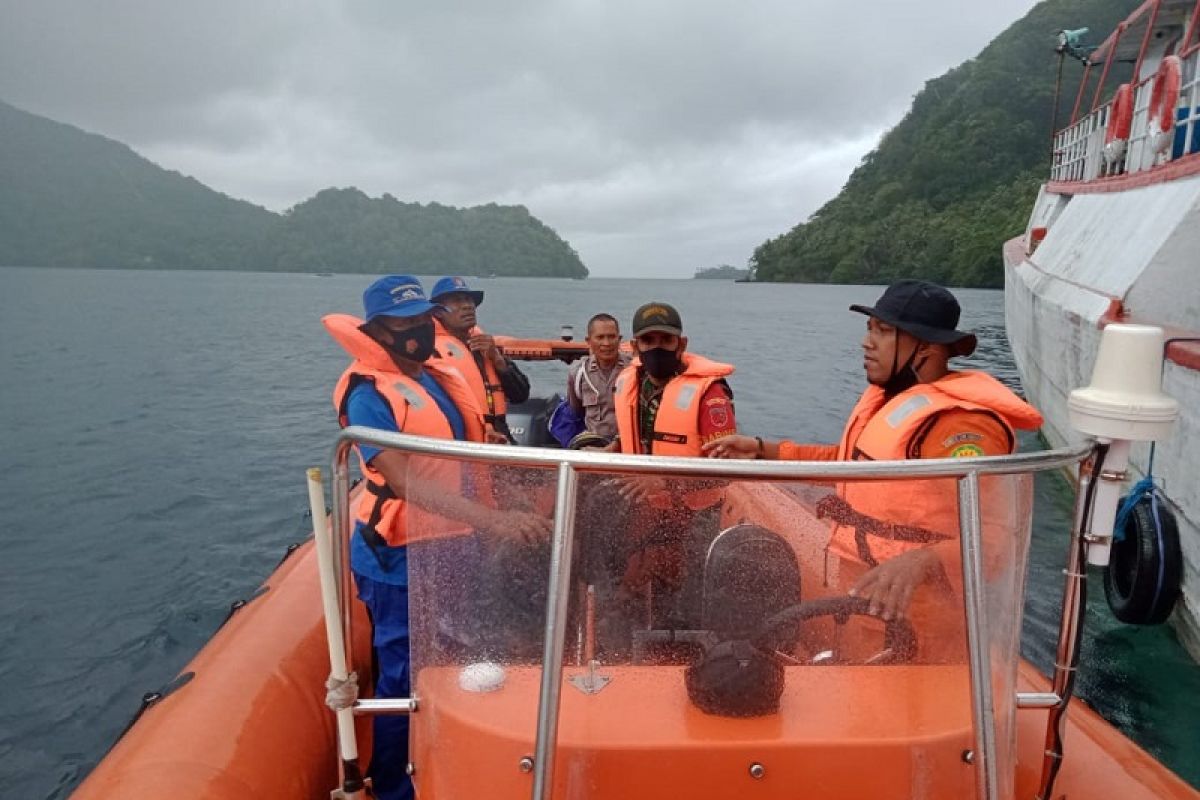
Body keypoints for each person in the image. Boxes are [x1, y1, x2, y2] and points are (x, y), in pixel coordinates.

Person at [324, 275, 549, 800]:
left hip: (451, 543)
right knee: (403, 678)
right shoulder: (367, 394)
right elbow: (405, 480)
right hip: (398, 558)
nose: (419, 331)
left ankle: (446, 757)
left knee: (451, 658)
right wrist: (494, 522)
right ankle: (394, 787)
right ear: (377, 331)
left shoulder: (431, 378)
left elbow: (449, 449)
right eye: (404, 324)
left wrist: (486, 445)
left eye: (423, 319)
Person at [704, 279, 1043, 622]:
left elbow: (999, 537)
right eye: (869, 329)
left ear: (925, 347)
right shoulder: (891, 399)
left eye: (882, 331)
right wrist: (764, 450)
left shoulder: (958, 427)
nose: (867, 343)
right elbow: (850, 465)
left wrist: (928, 560)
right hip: (865, 588)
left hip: (918, 614)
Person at [595, 302, 738, 632]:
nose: (657, 348)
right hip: (644, 505)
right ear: (635, 347)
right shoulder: (635, 384)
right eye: (649, 341)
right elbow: (643, 434)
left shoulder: (710, 395)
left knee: (686, 600)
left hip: (695, 513)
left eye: (666, 340)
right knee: (630, 573)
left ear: (681, 344)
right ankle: (625, 623)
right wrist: (616, 448)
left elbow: (727, 469)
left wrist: (667, 483)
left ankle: (682, 645)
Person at [430, 276, 530, 442]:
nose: (468, 306)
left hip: (500, 434)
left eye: (469, 300)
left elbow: (521, 395)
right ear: (438, 312)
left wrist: (498, 360)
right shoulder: (431, 351)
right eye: (457, 301)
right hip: (461, 438)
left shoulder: (486, 346)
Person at [566, 312, 631, 443]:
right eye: (600, 337)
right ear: (589, 341)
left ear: (619, 339)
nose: (606, 343)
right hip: (594, 446)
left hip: (627, 445)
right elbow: (576, 410)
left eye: (612, 337)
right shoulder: (578, 373)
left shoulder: (633, 370)